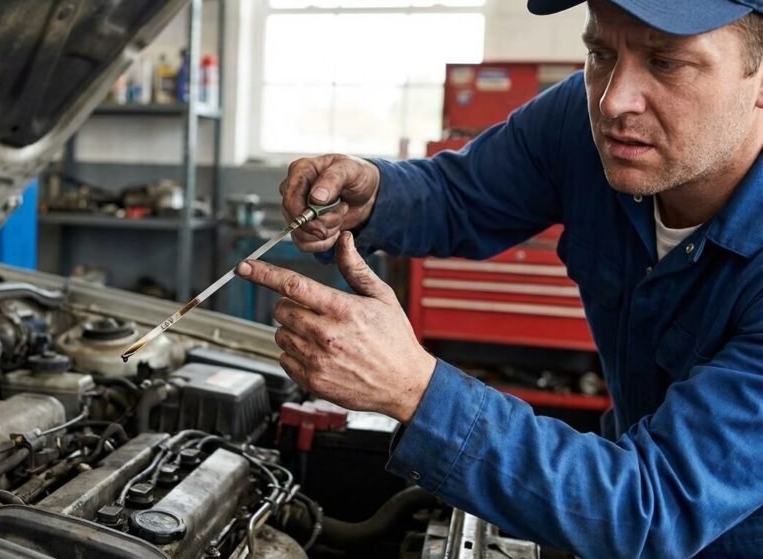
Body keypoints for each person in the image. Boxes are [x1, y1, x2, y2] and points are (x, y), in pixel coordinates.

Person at [234, 0, 763, 557]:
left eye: (666, 62)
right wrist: (373, 197)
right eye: (601, 53)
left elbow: (652, 507)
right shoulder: (584, 124)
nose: (613, 101)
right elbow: (462, 194)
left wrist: (414, 389)